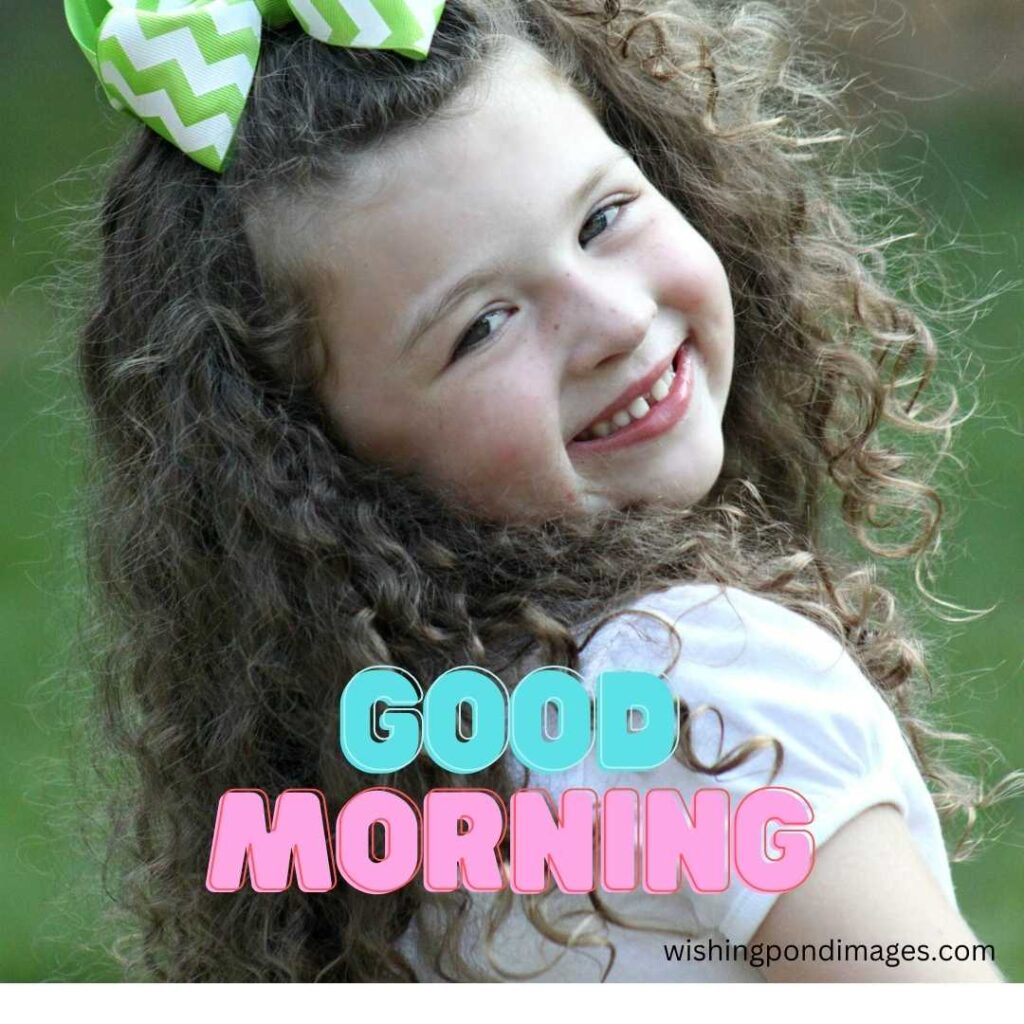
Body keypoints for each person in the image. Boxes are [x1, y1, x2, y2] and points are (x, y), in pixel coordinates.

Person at [62, 0, 1016, 982]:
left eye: (602, 219)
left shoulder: (402, 763)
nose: (610, 320)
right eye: (482, 326)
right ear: (311, 454)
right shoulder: (701, 688)